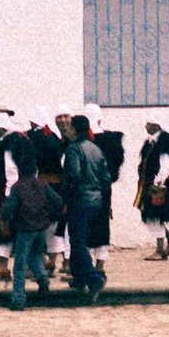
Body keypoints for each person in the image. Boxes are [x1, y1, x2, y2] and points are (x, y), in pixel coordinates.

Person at [7, 150, 62, 308]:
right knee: (35, 255)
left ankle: (19, 299)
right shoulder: (43, 185)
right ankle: (42, 278)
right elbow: (57, 201)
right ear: (35, 170)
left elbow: (8, 208)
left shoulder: (17, 188)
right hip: (41, 227)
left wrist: (4, 221)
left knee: (20, 264)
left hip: (25, 227)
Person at [61, 119, 108, 303]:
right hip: (96, 199)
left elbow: (73, 175)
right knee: (79, 239)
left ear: (74, 129)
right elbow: (105, 177)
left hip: (80, 199)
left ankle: (93, 278)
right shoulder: (95, 149)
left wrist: (66, 198)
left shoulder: (74, 149)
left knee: (77, 241)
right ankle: (79, 277)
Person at [136, 126, 169, 259]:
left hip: (161, 184)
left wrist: (158, 183)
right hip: (150, 183)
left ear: (156, 126)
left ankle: (160, 249)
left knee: (155, 215)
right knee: (150, 214)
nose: (145, 126)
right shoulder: (150, 142)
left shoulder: (164, 142)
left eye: (148, 124)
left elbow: (167, 165)